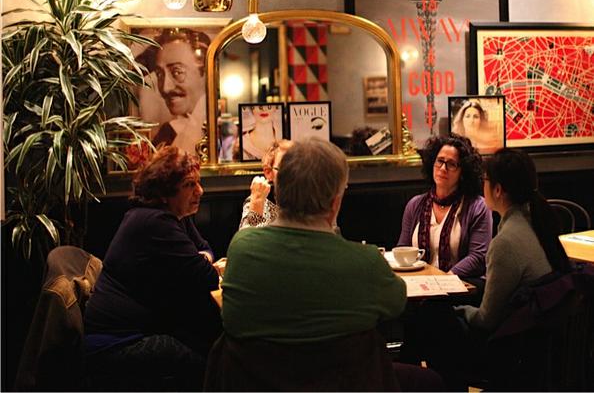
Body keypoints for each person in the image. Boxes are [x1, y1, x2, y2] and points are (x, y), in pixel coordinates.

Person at [220, 138, 442, 390]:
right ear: (335, 202)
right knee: (430, 383)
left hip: (259, 383)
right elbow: (396, 303)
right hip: (345, 383)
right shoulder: (365, 262)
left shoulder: (241, 248)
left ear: (280, 189)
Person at [84, 146, 225, 390]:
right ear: (165, 192)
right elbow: (207, 276)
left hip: (136, 329)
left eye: (198, 183)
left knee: (207, 345)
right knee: (210, 364)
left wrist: (200, 259)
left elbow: (205, 249)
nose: (200, 191)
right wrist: (204, 263)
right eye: (190, 185)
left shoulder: (173, 216)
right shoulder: (154, 222)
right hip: (117, 343)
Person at [457, 148, 571, 329]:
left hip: (514, 339)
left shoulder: (505, 243)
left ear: (497, 190)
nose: (482, 185)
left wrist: (461, 310)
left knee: (434, 315)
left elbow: (486, 321)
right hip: (542, 330)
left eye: (484, 179)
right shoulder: (537, 222)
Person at [397, 134, 492, 279]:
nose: (442, 168)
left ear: (463, 172)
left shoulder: (478, 207)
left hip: (460, 284)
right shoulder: (415, 204)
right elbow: (403, 249)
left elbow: (478, 257)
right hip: (419, 283)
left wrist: (444, 280)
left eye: (451, 164)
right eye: (440, 161)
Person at [136, 28, 211, 155]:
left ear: (205, 71)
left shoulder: (220, 127)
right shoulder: (167, 133)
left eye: (177, 72)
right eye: (160, 74)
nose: (166, 88)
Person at [238, 139, 293, 230]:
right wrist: (257, 202)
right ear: (268, 172)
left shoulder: (311, 200)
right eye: (285, 168)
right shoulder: (261, 203)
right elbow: (247, 237)